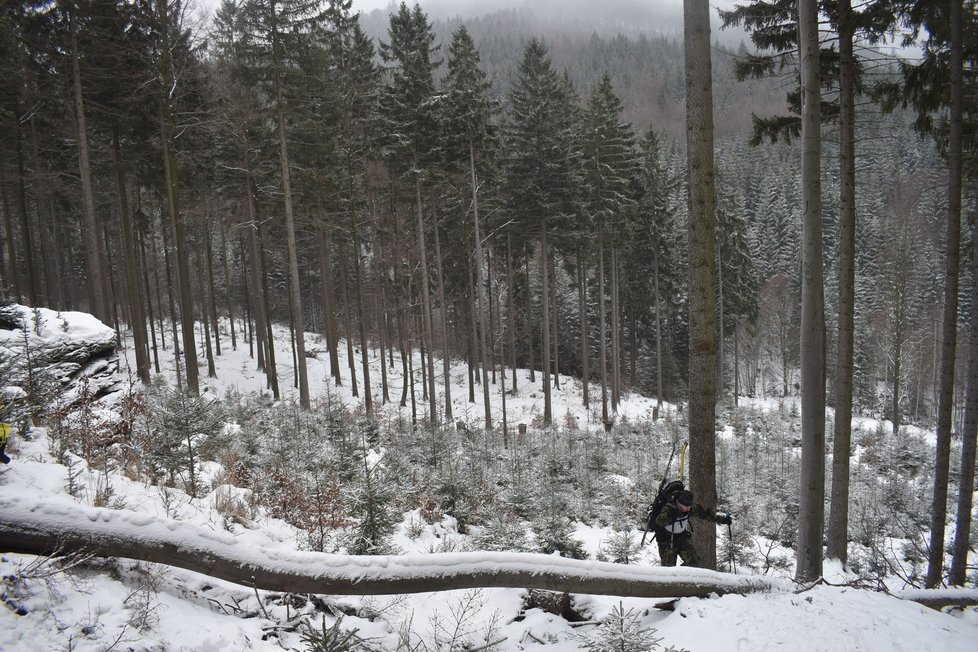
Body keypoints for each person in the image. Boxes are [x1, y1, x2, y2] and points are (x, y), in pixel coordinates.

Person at [654, 489, 731, 567]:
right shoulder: (669, 509)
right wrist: (671, 517)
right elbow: (659, 521)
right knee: (668, 569)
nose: (689, 509)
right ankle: (676, 576)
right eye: (686, 506)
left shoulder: (691, 508)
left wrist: (722, 519)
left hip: (681, 537)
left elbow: (705, 515)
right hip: (667, 540)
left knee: (693, 562)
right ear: (679, 503)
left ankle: (683, 575)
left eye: (690, 506)